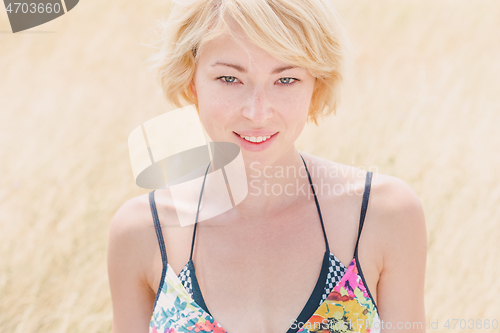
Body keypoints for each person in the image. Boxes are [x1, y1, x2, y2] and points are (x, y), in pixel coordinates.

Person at [107, 0, 427, 332]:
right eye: (230, 78)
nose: (257, 113)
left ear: (315, 83)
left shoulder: (381, 214)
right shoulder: (144, 231)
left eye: (286, 79)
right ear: (191, 81)